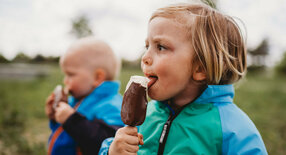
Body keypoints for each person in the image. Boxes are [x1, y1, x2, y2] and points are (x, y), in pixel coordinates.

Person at [99, 2, 268, 155]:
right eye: (147, 46)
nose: (145, 57)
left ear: (200, 67)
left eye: (161, 47)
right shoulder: (147, 114)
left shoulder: (233, 130)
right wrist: (112, 151)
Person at [45, 37, 124, 155]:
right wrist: (55, 116)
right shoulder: (77, 100)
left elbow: (107, 142)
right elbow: (65, 134)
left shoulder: (112, 106)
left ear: (97, 77)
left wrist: (71, 120)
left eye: (70, 74)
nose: (65, 81)